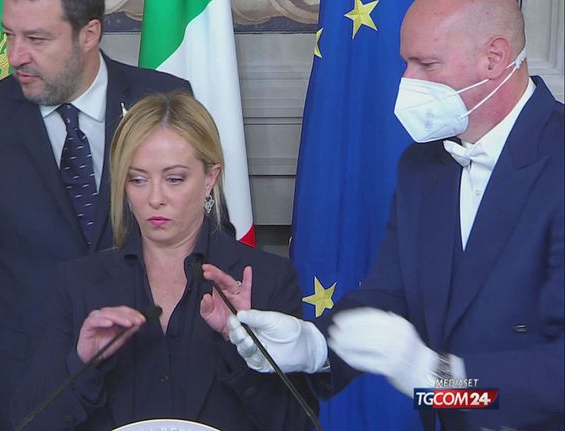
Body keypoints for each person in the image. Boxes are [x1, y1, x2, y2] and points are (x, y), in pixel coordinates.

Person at [225, 1, 564, 430]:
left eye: (427, 64)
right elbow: (391, 294)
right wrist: (316, 345)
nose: (407, 82)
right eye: (406, 63)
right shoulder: (422, 166)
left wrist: (445, 381)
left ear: (493, 58)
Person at [0, 1, 194, 429]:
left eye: (36, 39)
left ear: (89, 34)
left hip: (153, 375)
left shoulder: (162, 99)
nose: (15, 55)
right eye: (9, 35)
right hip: (31, 385)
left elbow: (207, 233)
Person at [9, 91, 316, 430]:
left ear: (210, 178)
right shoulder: (78, 283)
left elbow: (300, 425)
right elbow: (29, 424)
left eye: (174, 179)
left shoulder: (268, 278)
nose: (155, 198)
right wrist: (83, 364)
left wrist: (241, 348)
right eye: (138, 179)